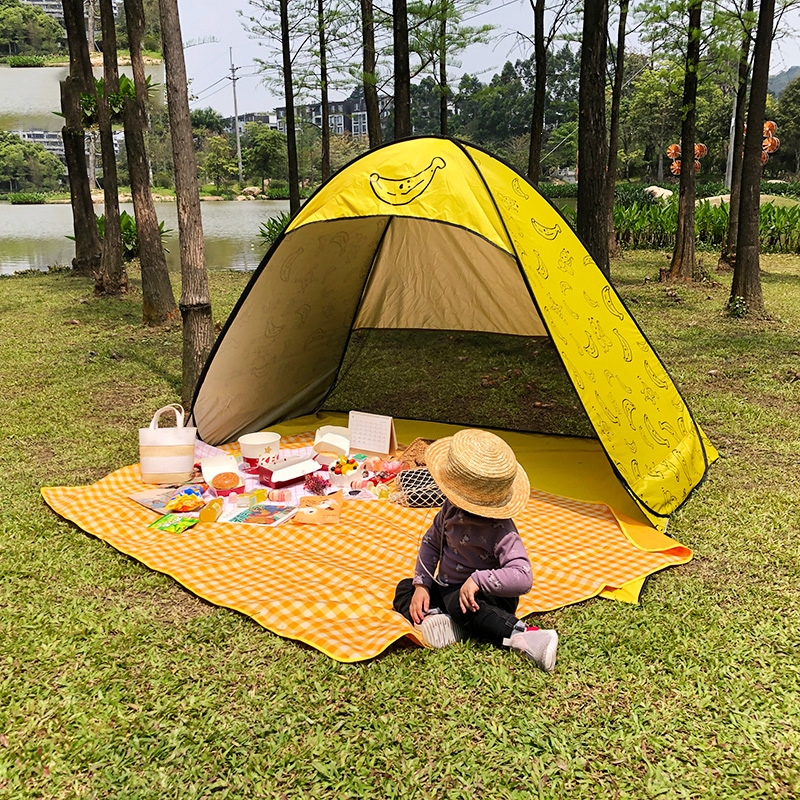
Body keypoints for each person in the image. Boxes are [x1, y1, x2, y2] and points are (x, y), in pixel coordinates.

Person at [393, 428, 559, 672]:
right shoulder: (450, 509)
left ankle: (526, 636)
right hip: (449, 588)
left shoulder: (500, 529)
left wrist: (478, 580)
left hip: (488, 596)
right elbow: (430, 542)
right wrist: (422, 586)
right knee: (404, 588)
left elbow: (523, 576)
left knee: (461, 603)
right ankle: (448, 620)